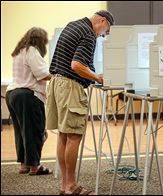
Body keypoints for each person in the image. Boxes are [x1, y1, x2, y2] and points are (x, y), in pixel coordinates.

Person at [46, 10, 114, 195]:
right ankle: (71, 186)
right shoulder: (88, 33)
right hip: (70, 86)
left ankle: (64, 185)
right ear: (102, 21)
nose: (101, 36)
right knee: (74, 136)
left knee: (63, 135)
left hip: (57, 84)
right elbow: (76, 65)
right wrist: (97, 77)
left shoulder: (72, 25)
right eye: (105, 31)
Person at [5, 27, 52, 175]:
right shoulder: (32, 50)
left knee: (21, 131)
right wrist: (58, 73)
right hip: (27, 96)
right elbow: (43, 74)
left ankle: (24, 165)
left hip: (12, 94)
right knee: (34, 131)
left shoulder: (19, 51)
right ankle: (34, 166)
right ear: (40, 40)